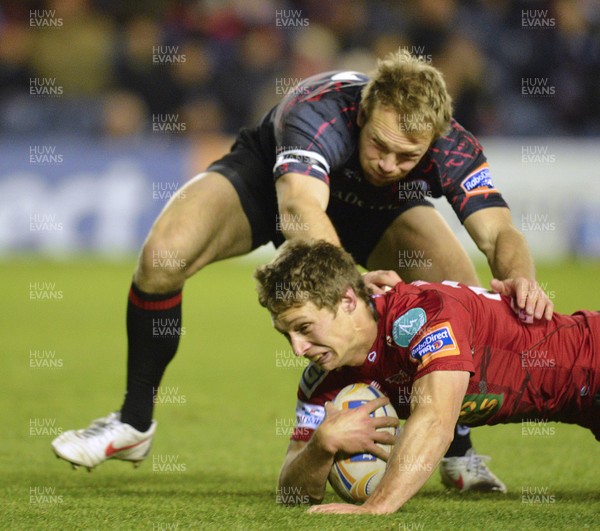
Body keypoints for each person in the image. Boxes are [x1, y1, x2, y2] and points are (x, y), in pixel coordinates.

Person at [52, 49, 552, 490]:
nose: (389, 163)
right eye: (380, 145)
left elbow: (500, 233)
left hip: (382, 210)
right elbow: (299, 208)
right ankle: (133, 424)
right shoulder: (319, 113)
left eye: (408, 156)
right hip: (268, 186)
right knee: (162, 255)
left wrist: (522, 280)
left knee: (457, 291)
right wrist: (353, 288)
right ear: (364, 114)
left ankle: (458, 451)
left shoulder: (453, 147)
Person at [254, 240, 600, 514]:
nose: (298, 349)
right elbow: (290, 494)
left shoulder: (423, 314)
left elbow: (436, 420)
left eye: (303, 328)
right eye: (287, 336)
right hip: (581, 407)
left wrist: (379, 506)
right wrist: (321, 445)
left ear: (347, 301)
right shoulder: (324, 379)